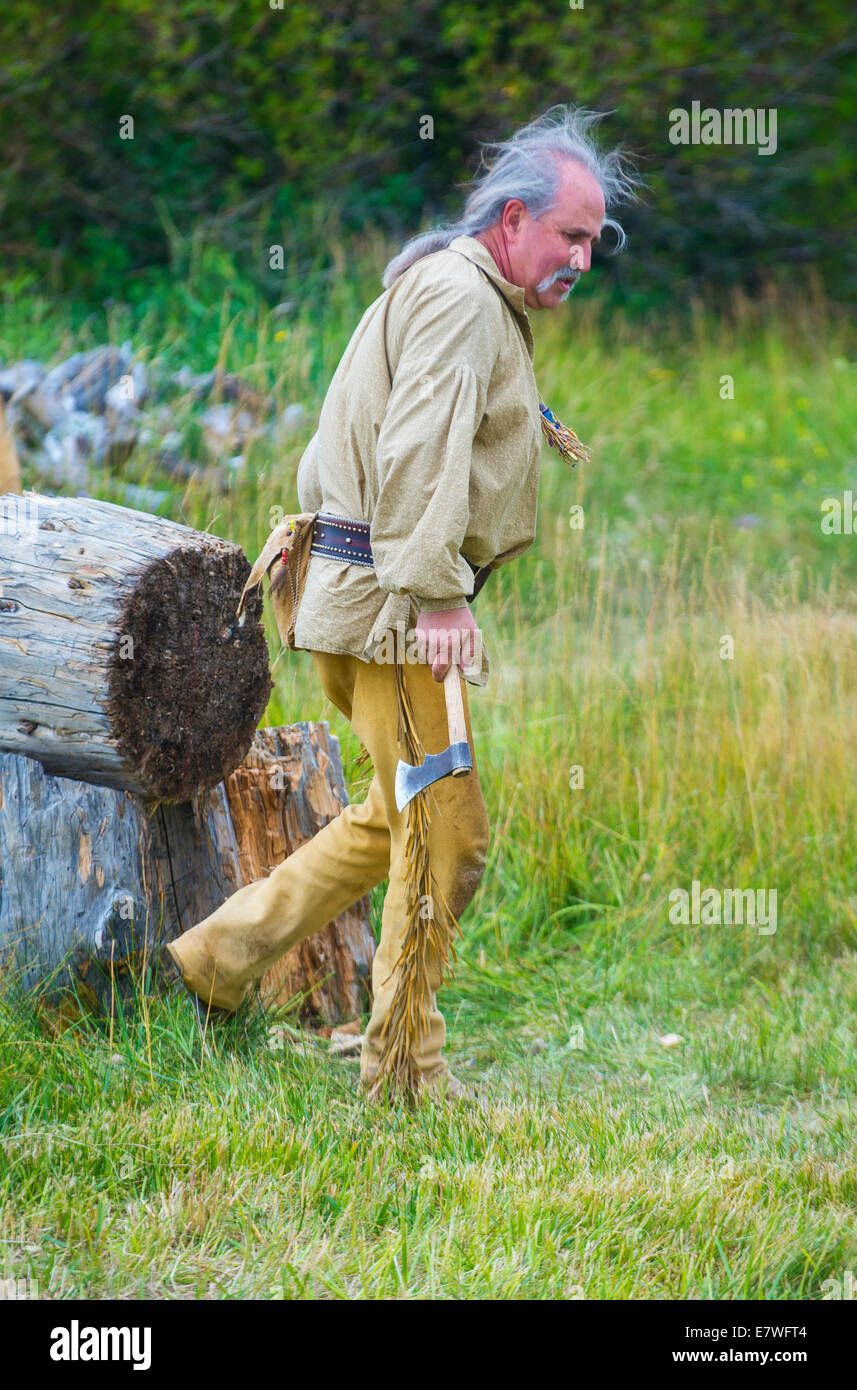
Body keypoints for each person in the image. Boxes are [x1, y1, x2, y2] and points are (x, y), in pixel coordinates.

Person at [166, 104, 638, 1103]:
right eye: (570, 235)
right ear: (511, 220)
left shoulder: (452, 290)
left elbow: (338, 445)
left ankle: (214, 958)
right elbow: (415, 445)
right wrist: (434, 593)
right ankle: (405, 1069)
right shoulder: (463, 299)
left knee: (393, 819)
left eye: (594, 241)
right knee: (448, 837)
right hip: (392, 615)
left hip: (356, 604)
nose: (583, 260)